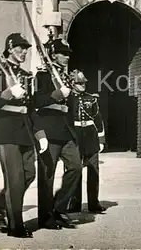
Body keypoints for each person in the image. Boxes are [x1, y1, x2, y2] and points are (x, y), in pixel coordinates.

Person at [0, 33, 48, 238]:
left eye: (26, 48)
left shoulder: (27, 75)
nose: (24, 52)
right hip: (5, 130)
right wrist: (9, 93)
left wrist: (40, 134)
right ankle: (15, 226)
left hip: (25, 131)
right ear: (10, 49)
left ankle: (1, 204)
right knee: (15, 178)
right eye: (20, 48)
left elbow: (31, 109)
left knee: (29, 173)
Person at [33, 38, 82, 230]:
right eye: (63, 53)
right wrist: (57, 95)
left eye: (68, 54)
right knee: (47, 176)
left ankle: (58, 207)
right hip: (48, 128)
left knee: (76, 167)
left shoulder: (64, 75)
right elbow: (36, 100)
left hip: (65, 130)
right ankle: (45, 217)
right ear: (53, 55)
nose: (67, 57)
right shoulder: (42, 75)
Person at [66, 69, 107, 213]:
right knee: (75, 170)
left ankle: (94, 203)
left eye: (84, 83)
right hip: (75, 135)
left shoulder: (92, 98)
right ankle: (74, 203)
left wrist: (101, 139)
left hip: (90, 136)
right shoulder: (68, 99)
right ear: (72, 84)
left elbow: (98, 119)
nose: (82, 85)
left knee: (93, 170)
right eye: (79, 83)